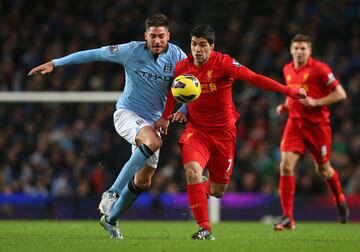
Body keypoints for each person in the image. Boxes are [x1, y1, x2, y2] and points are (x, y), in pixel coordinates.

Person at [28, 13, 186, 239]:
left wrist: (181, 110)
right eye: (153, 36)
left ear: (168, 36)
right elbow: (94, 54)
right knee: (153, 140)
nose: (157, 41)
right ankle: (111, 193)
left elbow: (192, 86)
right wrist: (56, 63)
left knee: (143, 181)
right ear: (145, 36)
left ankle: (110, 221)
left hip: (152, 122)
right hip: (127, 114)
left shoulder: (178, 56)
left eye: (161, 36)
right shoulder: (130, 50)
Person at [155, 24, 307, 240]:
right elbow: (174, 92)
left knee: (218, 190)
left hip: (224, 135)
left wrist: (288, 91)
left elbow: (254, 78)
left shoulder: (224, 63)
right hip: (196, 131)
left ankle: (200, 192)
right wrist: (165, 116)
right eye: (193, 44)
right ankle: (205, 228)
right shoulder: (183, 67)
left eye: (202, 45)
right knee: (192, 172)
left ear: (212, 46)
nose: (197, 49)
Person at [273, 34, 349, 231]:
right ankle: (287, 217)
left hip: (317, 126)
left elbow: (341, 93)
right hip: (295, 124)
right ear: (291, 50)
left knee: (323, 170)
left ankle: (339, 199)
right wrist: (286, 107)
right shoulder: (287, 68)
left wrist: (316, 102)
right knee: (286, 166)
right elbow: (293, 94)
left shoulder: (320, 69)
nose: (299, 52)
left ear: (310, 51)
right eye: (296, 48)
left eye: (303, 48)